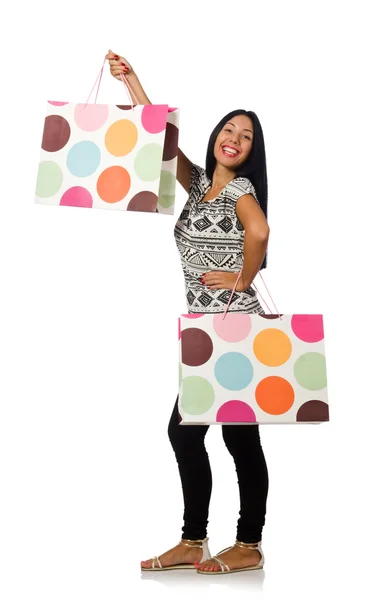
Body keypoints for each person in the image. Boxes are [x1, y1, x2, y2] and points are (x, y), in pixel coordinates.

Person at [106, 50, 271, 575]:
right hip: (204, 328)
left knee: (223, 433)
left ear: (250, 154)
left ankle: (246, 543)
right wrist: (133, 81)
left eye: (246, 137)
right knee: (196, 432)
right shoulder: (200, 185)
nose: (235, 138)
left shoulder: (241, 188)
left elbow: (261, 233)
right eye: (230, 129)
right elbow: (162, 137)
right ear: (217, 136)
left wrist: (242, 279)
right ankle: (196, 540)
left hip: (235, 324)